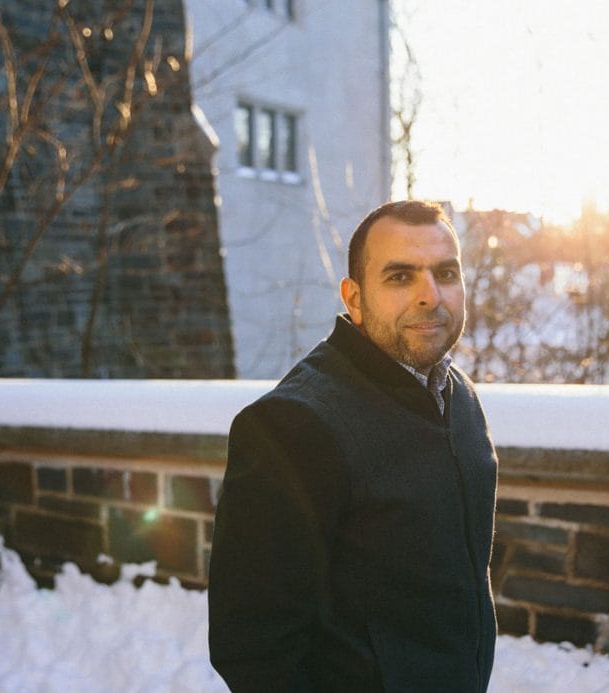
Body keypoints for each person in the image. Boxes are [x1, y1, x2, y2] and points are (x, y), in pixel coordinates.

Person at [208, 200, 498, 692]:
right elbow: (253, 648)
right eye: (400, 277)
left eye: (446, 272)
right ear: (354, 298)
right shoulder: (293, 425)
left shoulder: (459, 396)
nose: (431, 295)